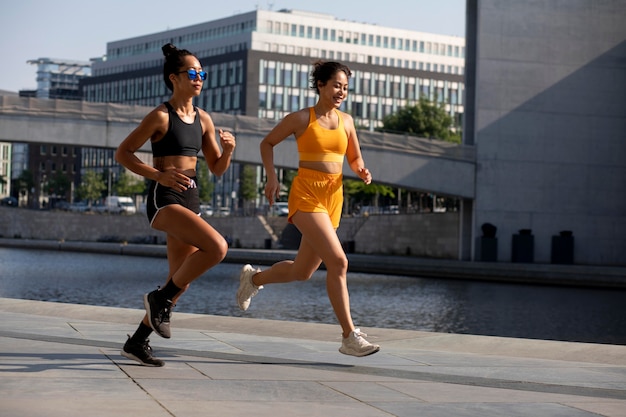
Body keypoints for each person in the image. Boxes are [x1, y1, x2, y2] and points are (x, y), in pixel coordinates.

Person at [236, 61, 380, 357]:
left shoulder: (347, 122)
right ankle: (349, 336)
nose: (341, 92)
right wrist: (272, 178)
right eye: (337, 85)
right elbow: (267, 143)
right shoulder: (302, 118)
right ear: (321, 85)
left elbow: (354, 159)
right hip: (306, 195)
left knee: (302, 272)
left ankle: (253, 279)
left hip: (333, 197)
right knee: (339, 262)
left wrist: (362, 170)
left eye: (345, 88)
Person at [116, 43, 236, 366]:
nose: (199, 78)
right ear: (174, 78)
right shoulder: (160, 116)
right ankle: (157, 299)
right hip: (164, 198)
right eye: (193, 73)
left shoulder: (204, 120)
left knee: (178, 282)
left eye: (202, 74)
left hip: (191, 197)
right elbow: (123, 153)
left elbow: (216, 168)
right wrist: (160, 175)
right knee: (218, 247)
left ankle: (138, 341)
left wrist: (228, 151)